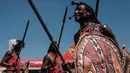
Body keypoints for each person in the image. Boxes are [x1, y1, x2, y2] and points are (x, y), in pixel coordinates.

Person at [70, 1, 123, 73]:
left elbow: (117, 53)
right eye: (75, 10)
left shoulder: (102, 29)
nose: (76, 12)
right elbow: (81, 58)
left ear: (89, 13)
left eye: (79, 9)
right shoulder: (76, 36)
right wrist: (71, 65)